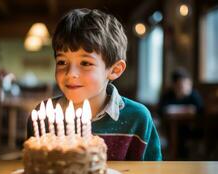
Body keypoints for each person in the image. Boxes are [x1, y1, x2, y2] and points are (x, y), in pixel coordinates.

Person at [27, 8, 162, 161]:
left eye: (85, 63)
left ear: (115, 70)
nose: (71, 73)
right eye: (62, 62)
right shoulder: (42, 117)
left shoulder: (137, 118)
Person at [158, 68, 204, 159]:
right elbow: (161, 110)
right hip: (171, 128)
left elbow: (200, 109)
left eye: (187, 84)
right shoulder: (168, 95)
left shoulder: (193, 94)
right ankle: (176, 156)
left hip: (192, 127)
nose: (184, 86)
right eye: (180, 84)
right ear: (175, 85)